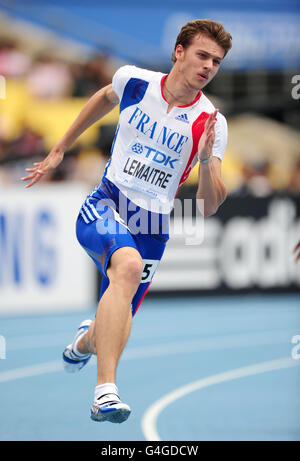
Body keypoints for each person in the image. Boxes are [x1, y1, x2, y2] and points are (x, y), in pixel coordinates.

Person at [21, 19, 232, 424]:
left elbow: (208, 205)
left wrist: (206, 160)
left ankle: (84, 343)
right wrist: (61, 148)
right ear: (179, 52)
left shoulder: (212, 122)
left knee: (111, 329)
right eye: (202, 55)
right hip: (108, 202)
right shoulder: (134, 81)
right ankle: (105, 394)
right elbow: (104, 96)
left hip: (153, 228)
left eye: (217, 62)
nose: (208, 66)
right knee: (129, 267)